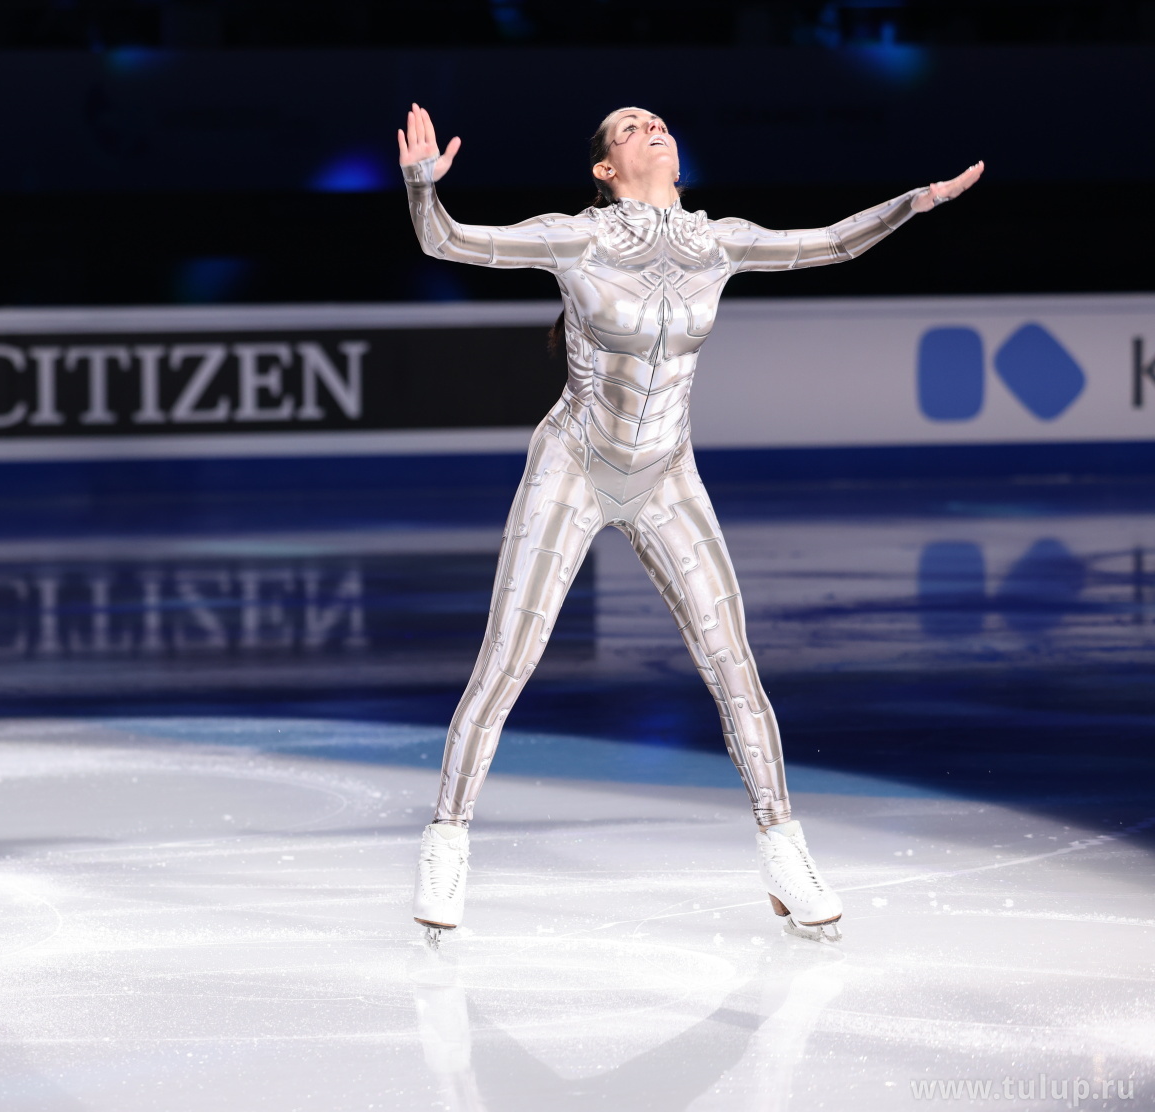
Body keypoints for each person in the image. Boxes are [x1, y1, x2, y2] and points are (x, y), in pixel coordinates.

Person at [396, 102, 981, 943]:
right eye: (628, 127)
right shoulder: (576, 236)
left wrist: (915, 202)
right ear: (604, 168)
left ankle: (783, 848)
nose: (649, 126)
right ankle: (446, 840)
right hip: (573, 465)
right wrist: (422, 187)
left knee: (731, 663)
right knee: (509, 658)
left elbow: (827, 243)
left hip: (668, 472)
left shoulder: (720, 239)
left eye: (656, 120)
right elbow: (446, 242)